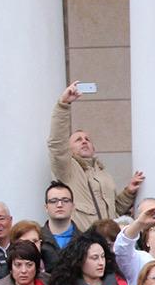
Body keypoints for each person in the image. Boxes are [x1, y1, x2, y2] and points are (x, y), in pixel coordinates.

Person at [49, 82, 122, 228]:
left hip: (107, 240)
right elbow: (56, 142)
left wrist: (129, 192)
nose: (84, 142)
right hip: (84, 239)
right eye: (78, 140)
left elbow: (116, 209)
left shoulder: (103, 173)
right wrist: (63, 105)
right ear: (68, 149)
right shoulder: (68, 169)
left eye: (87, 139)